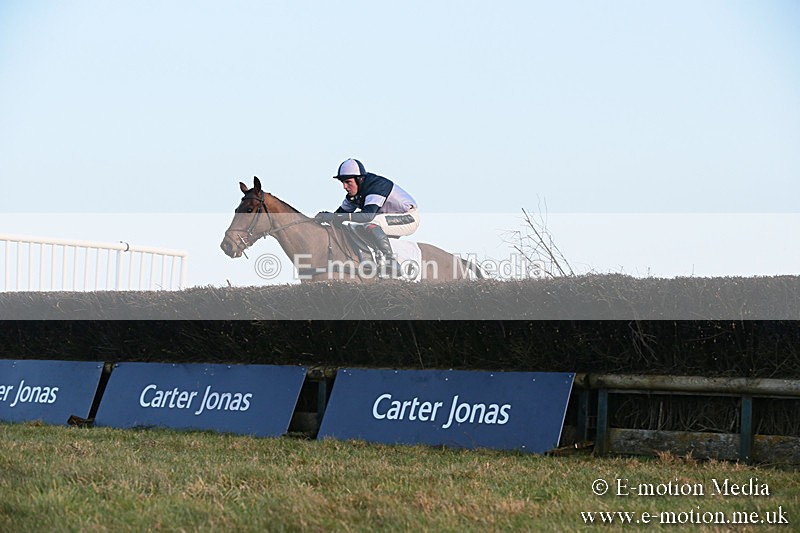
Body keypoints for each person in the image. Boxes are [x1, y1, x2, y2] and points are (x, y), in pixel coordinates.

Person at [315, 158, 419, 276]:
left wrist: (335, 217)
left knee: (370, 222)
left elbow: (367, 216)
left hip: (408, 218)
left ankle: (391, 262)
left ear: (360, 179)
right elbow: (340, 214)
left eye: (348, 182)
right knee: (356, 225)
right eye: (343, 182)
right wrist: (326, 217)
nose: (344, 187)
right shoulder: (354, 194)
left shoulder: (377, 186)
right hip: (386, 218)